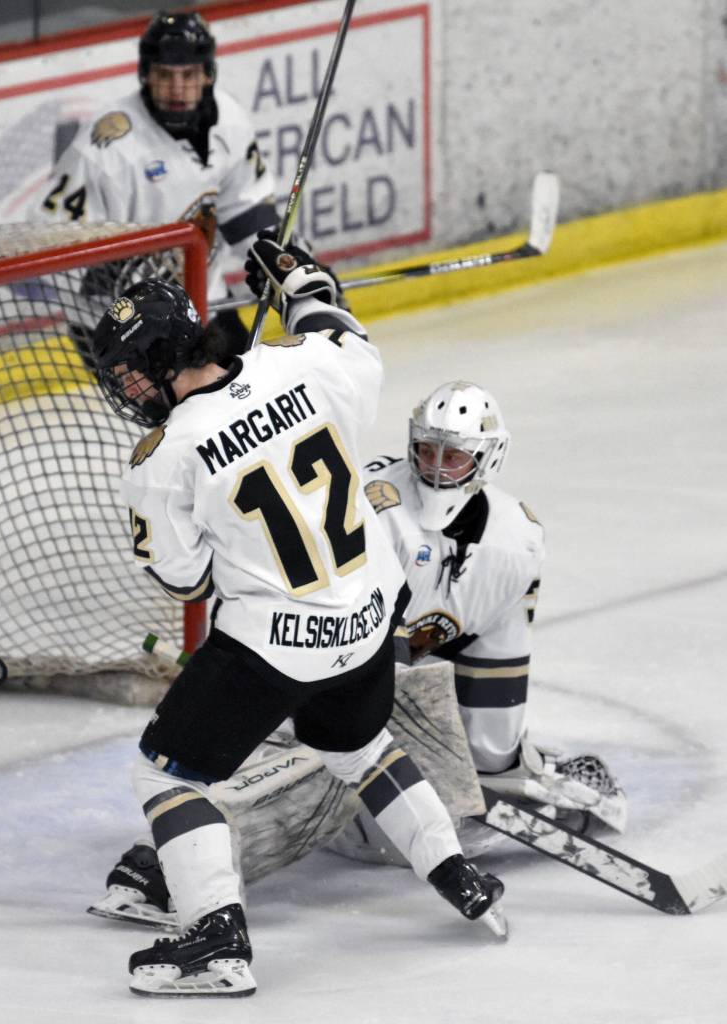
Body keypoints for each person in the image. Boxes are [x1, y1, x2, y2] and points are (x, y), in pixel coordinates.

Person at [88, 236, 507, 998]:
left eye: (125, 368)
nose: (122, 386)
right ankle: (452, 867)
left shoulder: (165, 455)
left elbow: (185, 581)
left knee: (166, 773)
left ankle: (216, 935)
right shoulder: (301, 361)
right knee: (355, 742)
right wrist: (304, 282)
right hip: (372, 618)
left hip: (278, 645)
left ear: (157, 359)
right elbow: (347, 335)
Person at [89, 381, 627, 929]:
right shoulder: (374, 502)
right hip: (298, 669)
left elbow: (495, 671)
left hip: (362, 700)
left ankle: (480, 815)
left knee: (406, 774)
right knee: (293, 771)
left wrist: (495, 762)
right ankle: (158, 867)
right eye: (428, 450)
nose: (438, 467)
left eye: (454, 454)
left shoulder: (518, 540)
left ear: (488, 457)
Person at [32, 9, 278, 356]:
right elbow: (52, 241)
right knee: (182, 408)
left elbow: (247, 213)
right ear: (145, 75)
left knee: (246, 390)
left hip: (205, 301)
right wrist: (137, 307)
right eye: (164, 75)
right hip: (120, 322)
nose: (177, 89)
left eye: (189, 75)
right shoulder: (107, 147)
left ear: (208, 74)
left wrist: (284, 263)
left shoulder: (230, 121)